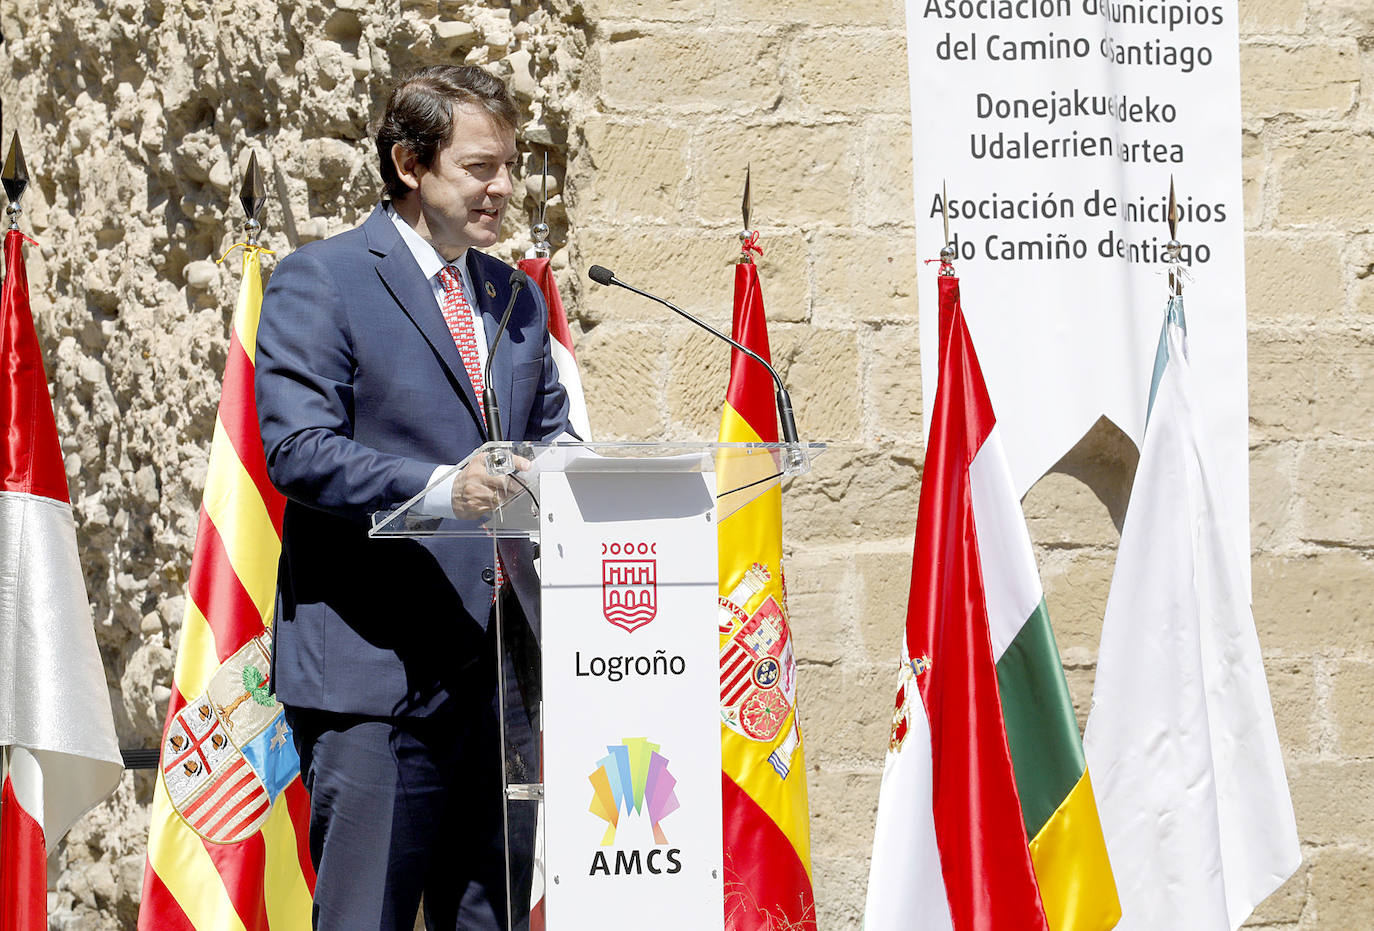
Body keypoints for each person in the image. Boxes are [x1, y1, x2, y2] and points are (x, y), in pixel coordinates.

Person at [254, 65, 571, 931]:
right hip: (377, 673)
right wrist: (439, 488)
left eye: (508, 165)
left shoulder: (516, 298)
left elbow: (547, 438)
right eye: (480, 167)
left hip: (502, 674)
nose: (503, 187)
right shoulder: (323, 280)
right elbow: (298, 449)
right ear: (408, 163)